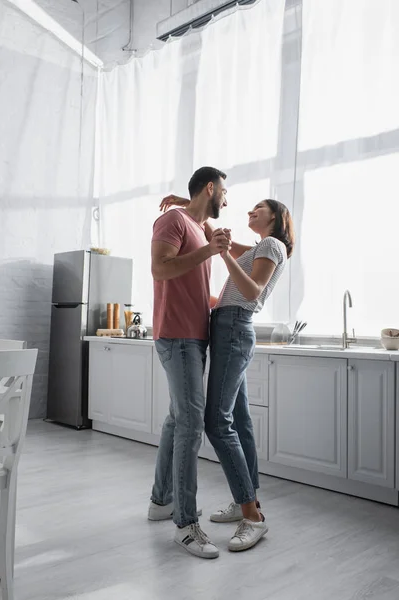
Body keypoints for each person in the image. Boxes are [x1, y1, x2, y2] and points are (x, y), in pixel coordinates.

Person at [160, 194, 294, 553]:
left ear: (277, 216)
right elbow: (212, 230)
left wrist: (221, 254)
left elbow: (252, 291)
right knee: (240, 418)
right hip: (227, 326)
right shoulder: (257, 246)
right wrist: (190, 202)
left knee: (217, 423)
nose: (251, 211)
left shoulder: (271, 243)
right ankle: (244, 501)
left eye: (259, 208)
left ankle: (253, 515)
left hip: (234, 327)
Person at [147, 166, 230, 560]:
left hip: (192, 338)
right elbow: (160, 269)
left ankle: (162, 501)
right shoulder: (173, 220)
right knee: (190, 424)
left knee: (175, 419)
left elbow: (196, 290)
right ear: (210, 188)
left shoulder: (196, 228)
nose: (226, 201)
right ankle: (184, 525)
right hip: (177, 337)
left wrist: (227, 306)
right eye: (224, 192)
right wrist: (208, 249)